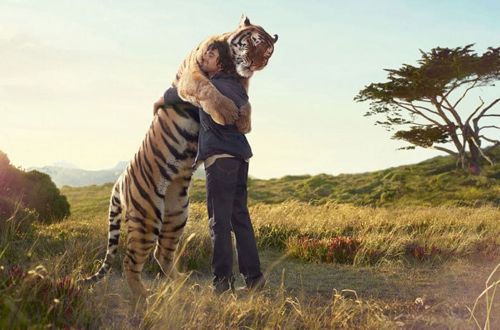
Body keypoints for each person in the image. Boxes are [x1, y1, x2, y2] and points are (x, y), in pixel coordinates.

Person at [155, 41, 265, 294]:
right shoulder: (237, 87)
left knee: (219, 222)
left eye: (212, 55)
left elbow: (180, 93)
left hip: (221, 158)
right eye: (205, 53)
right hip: (240, 156)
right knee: (241, 219)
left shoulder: (210, 86)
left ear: (222, 62)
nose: (205, 57)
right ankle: (254, 279)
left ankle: (222, 283)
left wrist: (162, 99)